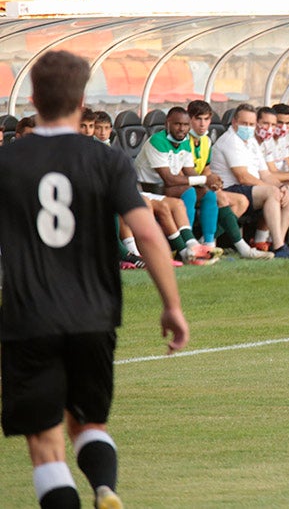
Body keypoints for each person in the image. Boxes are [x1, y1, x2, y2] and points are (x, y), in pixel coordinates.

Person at [0, 50, 189, 509]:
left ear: (32, 99)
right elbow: (147, 232)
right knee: (89, 425)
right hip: (94, 313)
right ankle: (105, 489)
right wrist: (172, 305)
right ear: (82, 101)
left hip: (28, 317)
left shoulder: (8, 160)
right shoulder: (104, 159)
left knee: (45, 444)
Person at [212, 103, 289, 259]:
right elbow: (243, 177)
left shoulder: (251, 141)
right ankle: (277, 245)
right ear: (234, 122)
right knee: (272, 192)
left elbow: (265, 174)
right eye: (244, 124)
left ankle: (278, 244)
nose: (248, 128)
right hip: (231, 188)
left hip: (247, 188)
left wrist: (282, 186)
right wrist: (273, 189)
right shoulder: (231, 140)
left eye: (251, 124)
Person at [133, 106, 223, 261]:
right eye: (177, 124)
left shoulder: (185, 141)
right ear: (167, 123)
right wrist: (204, 179)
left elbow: (190, 172)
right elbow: (168, 178)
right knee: (188, 191)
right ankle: (187, 246)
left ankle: (209, 244)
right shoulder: (157, 141)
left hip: (168, 188)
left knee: (208, 194)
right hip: (149, 188)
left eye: (185, 125)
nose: (182, 129)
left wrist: (210, 184)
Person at [186, 100, 271, 259]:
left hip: (200, 184)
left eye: (206, 119)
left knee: (235, 200)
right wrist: (208, 180)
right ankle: (240, 249)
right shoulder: (185, 140)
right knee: (232, 199)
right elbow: (186, 171)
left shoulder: (205, 140)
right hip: (184, 186)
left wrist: (212, 179)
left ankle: (207, 244)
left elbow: (205, 167)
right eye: (198, 119)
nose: (202, 124)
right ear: (189, 119)